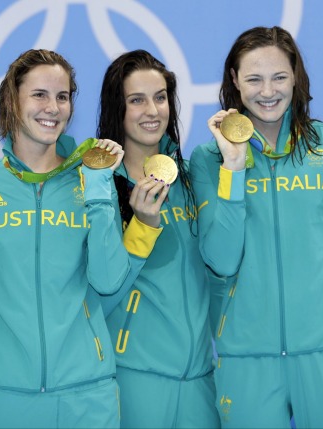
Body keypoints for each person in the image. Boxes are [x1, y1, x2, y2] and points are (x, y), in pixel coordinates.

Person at [190, 26, 323, 428]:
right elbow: (220, 260)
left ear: (296, 77)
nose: (267, 91)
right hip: (245, 360)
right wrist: (234, 168)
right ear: (235, 82)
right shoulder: (207, 160)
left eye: (279, 77)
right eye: (254, 79)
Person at [0, 49, 131, 428]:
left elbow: (109, 279)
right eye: (39, 95)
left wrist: (99, 187)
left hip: (88, 393)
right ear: (11, 100)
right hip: (5, 395)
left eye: (62, 96)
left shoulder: (93, 183)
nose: (52, 107)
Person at [96, 49, 221, 428]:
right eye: (137, 100)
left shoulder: (191, 179)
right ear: (117, 108)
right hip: (134, 380)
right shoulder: (99, 189)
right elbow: (97, 298)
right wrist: (141, 226)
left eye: (161, 97)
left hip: (201, 381)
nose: (153, 110)